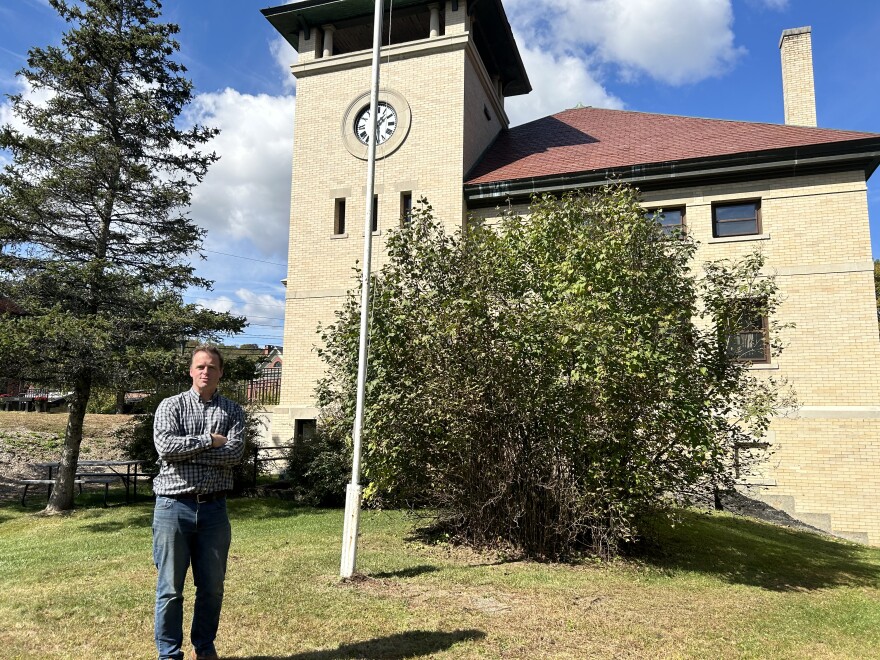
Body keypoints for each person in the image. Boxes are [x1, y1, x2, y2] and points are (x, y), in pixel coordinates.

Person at [152, 345, 245, 660]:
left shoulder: (232, 411)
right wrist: (209, 441)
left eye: (212, 367)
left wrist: (189, 453)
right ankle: (169, 654)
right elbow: (166, 447)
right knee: (170, 589)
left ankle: (204, 648)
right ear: (191, 371)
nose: (206, 372)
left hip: (214, 511)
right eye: (200, 366)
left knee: (212, 588)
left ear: (221, 373)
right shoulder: (171, 406)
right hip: (172, 508)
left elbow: (234, 454)